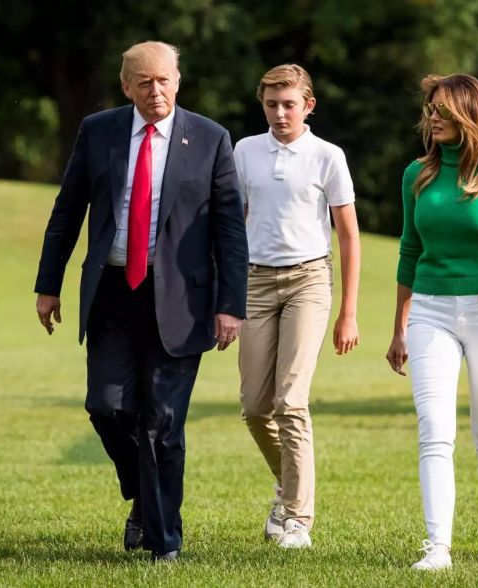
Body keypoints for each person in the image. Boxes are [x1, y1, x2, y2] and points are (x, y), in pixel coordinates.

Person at [34, 41, 248, 562]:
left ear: (179, 80)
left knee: (163, 423)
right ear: (126, 85)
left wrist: (230, 305)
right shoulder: (98, 131)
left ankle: (163, 542)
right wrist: (48, 283)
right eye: (145, 82)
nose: (157, 91)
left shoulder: (212, 138)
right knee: (107, 407)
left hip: (181, 300)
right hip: (111, 292)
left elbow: (229, 229)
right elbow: (68, 211)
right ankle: (143, 494)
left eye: (165, 80)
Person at [385, 73, 478, 571]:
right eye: (429, 109)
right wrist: (399, 326)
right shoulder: (416, 175)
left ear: (469, 113)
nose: (432, 117)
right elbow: (410, 251)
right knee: (434, 431)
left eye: (442, 110)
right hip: (431, 312)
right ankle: (438, 547)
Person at [233, 64, 361, 549]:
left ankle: (298, 519)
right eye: (271, 104)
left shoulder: (328, 156)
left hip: (309, 280)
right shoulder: (245, 151)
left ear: (309, 105)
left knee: (290, 400)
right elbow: (235, 221)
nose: (280, 113)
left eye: (289, 104)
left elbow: (348, 235)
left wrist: (348, 312)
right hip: (254, 284)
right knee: (253, 407)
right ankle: (288, 486)